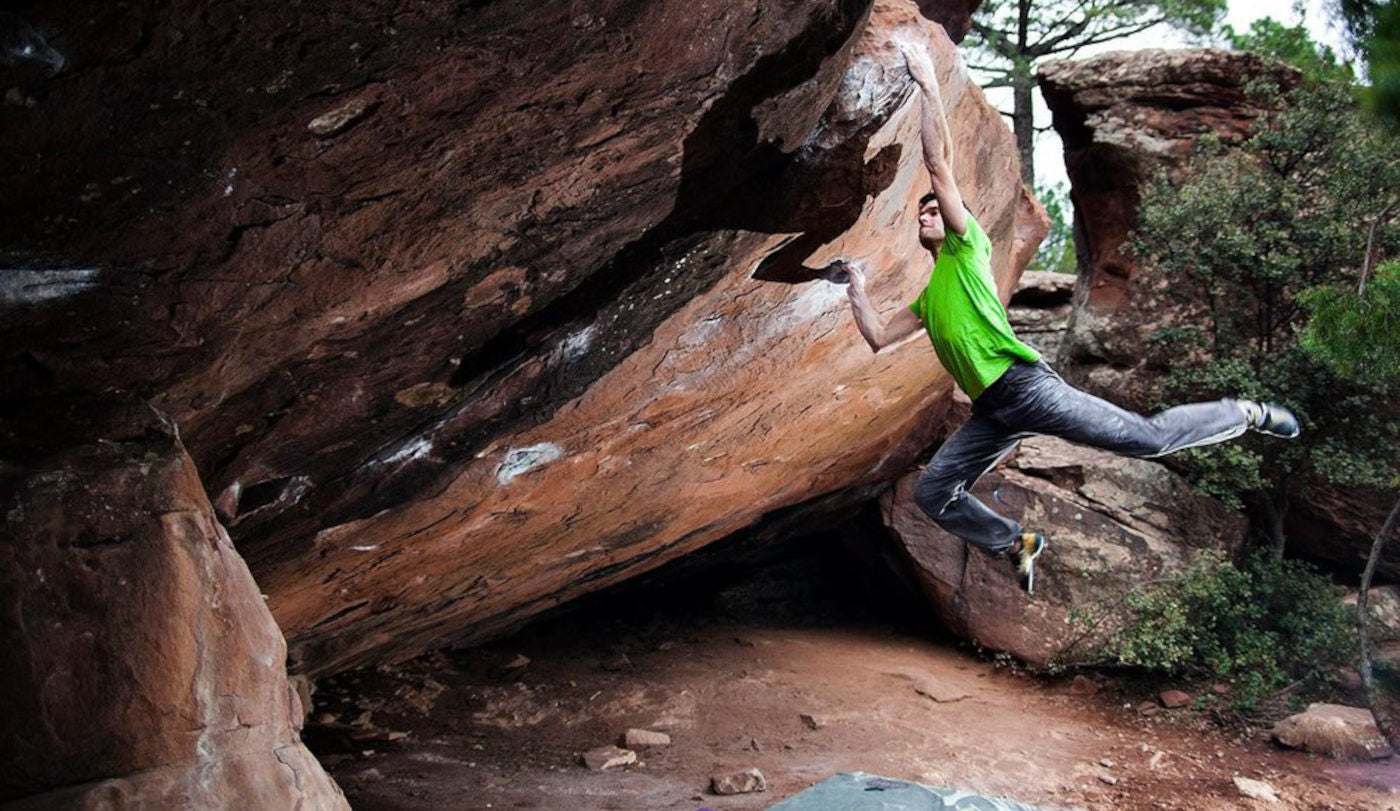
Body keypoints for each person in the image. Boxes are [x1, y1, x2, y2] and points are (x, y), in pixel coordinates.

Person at [840, 44, 1300, 594]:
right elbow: (876, 336)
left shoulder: (967, 249)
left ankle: (1242, 412)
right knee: (933, 493)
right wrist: (857, 286)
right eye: (922, 214)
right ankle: (1016, 542)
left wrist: (928, 86)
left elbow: (940, 165)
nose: (929, 213)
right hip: (993, 412)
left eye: (934, 207)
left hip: (1028, 389)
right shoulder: (928, 296)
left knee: (1145, 439)